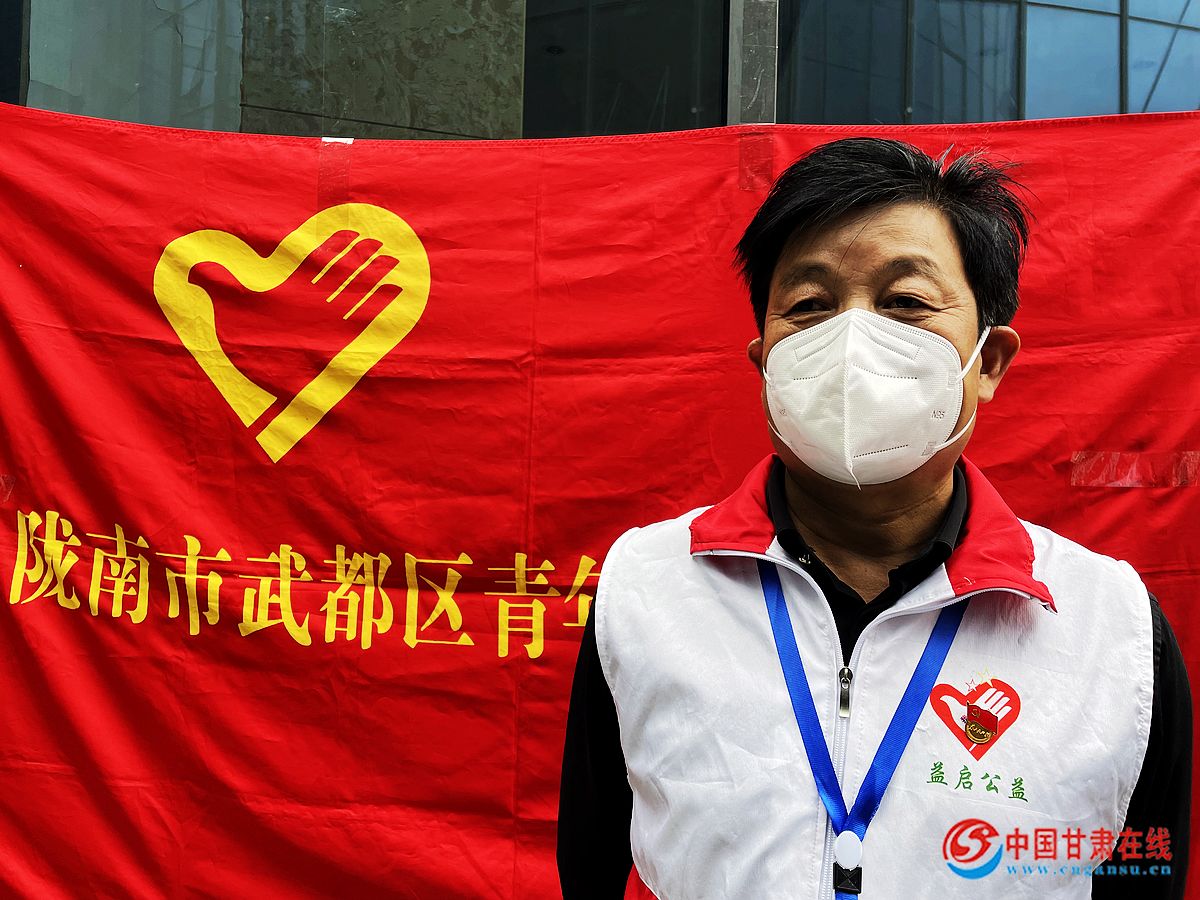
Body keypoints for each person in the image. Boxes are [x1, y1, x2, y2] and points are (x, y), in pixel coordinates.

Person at [557, 138, 1191, 899]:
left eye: (906, 302)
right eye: (809, 306)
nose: (851, 340)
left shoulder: (1113, 629)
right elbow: (591, 863)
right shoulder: (647, 587)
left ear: (989, 361)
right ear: (765, 364)